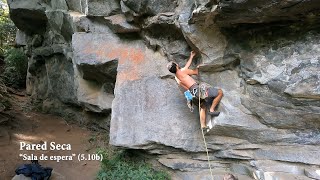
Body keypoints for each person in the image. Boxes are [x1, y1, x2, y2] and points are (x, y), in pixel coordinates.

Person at [167, 51, 223, 131]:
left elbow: (186, 67)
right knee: (220, 92)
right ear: (176, 66)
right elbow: (195, 72)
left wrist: (191, 56)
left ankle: (203, 126)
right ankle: (212, 110)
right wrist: (197, 67)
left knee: (203, 106)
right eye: (176, 63)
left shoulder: (177, 78)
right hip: (198, 91)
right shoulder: (183, 71)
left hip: (193, 94)